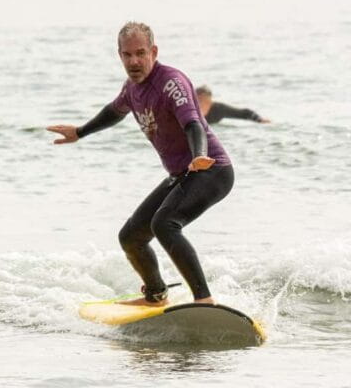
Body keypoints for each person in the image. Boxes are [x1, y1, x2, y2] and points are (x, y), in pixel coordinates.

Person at [46, 22, 233, 307]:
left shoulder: (170, 82)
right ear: (119, 55)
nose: (134, 61)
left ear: (153, 52)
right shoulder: (131, 89)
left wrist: (199, 154)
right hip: (182, 174)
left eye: (141, 53)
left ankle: (204, 300)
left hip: (210, 169)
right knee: (131, 237)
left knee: (165, 224)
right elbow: (114, 111)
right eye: (127, 54)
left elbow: (193, 123)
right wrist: (80, 132)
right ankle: (156, 296)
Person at [196, 85, 270, 124]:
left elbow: (245, 113)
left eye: (207, 100)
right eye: (200, 99)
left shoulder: (218, 109)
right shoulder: (191, 108)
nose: (203, 103)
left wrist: (260, 120)